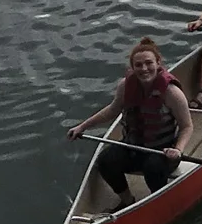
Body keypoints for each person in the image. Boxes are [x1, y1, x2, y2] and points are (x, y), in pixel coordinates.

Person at [68, 38, 193, 206]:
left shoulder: (172, 93)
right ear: (132, 67)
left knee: (153, 169)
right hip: (134, 147)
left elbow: (187, 127)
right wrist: (82, 126)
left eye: (149, 63)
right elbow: (112, 111)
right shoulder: (126, 86)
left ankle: (159, 202)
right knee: (106, 161)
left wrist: (178, 150)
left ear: (158, 63)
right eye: (138, 65)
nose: (144, 69)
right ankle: (127, 200)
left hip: (163, 151)